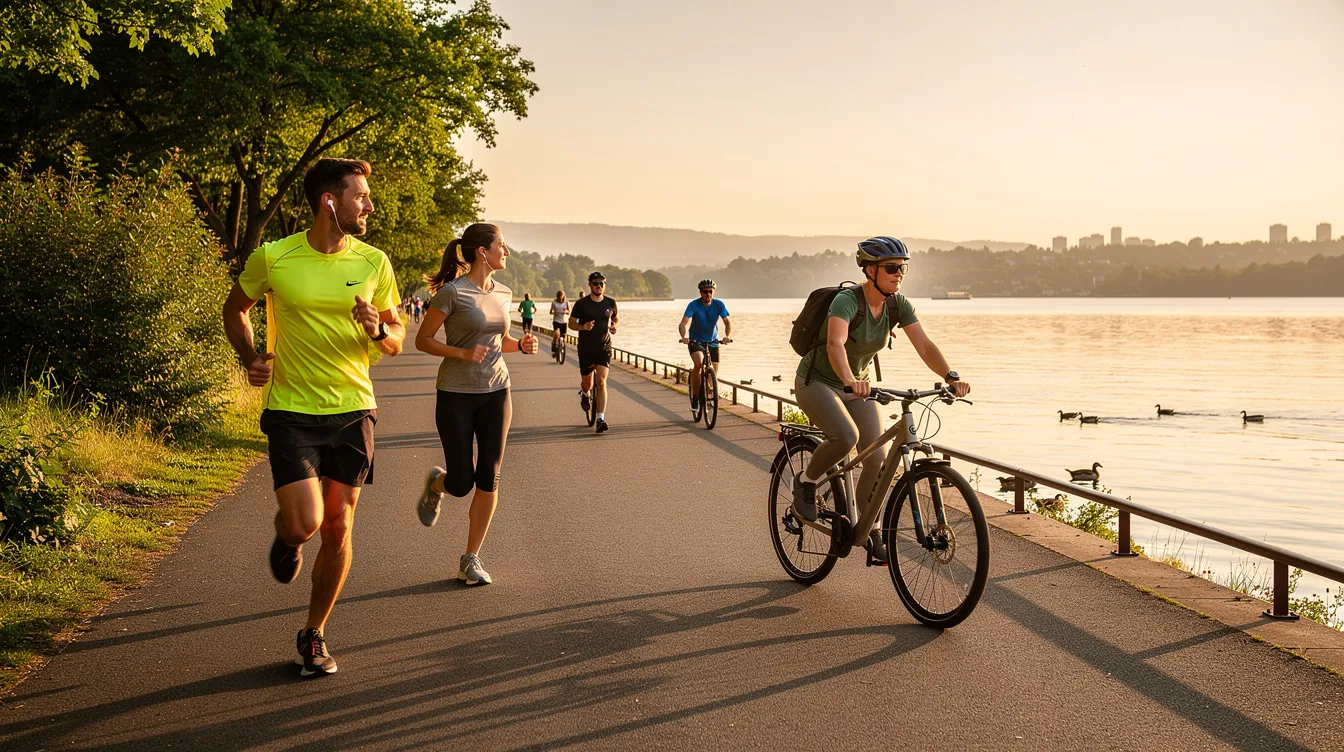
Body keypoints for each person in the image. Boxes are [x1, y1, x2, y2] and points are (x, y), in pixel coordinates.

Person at [222, 157, 402, 677]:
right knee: (306, 521)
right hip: (292, 409)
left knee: (339, 525)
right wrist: (249, 358)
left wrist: (376, 330)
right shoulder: (275, 258)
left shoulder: (373, 262)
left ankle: (314, 633)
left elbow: (395, 341)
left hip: (353, 409)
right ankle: (286, 535)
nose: (368, 205)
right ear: (331, 200)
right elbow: (235, 308)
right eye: (360, 196)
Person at [791, 236, 970, 561]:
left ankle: (864, 525)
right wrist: (847, 379)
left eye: (903, 268)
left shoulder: (897, 304)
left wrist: (950, 376)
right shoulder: (846, 301)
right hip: (816, 381)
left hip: (858, 385)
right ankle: (805, 480)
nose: (899, 274)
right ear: (870, 270)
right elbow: (835, 344)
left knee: (877, 456)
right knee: (846, 437)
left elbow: (925, 346)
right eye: (892, 268)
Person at [413, 223, 538, 587]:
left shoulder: (504, 292)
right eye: (502, 245)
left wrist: (521, 346)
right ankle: (438, 484)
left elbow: (503, 340)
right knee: (462, 482)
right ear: (483, 251)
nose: (507, 252)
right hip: (455, 393)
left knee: (490, 475)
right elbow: (423, 339)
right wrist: (462, 353)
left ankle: (470, 558)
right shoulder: (452, 292)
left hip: (498, 390)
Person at [568, 271, 618, 433]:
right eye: (596, 283)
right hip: (586, 348)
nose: (599, 286)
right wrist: (583, 327)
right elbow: (571, 324)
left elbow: (615, 318)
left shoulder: (610, 303)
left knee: (602, 381)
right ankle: (584, 392)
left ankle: (600, 418)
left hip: (604, 347)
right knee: (588, 383)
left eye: (602, 283)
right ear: (590, 284)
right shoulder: (581, 304)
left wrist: (614, 325)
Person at [678, 279, 732, 410]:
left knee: (713, 374)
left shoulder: (719, 305)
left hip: (713, 341)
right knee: (699, 364)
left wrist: (727, 337)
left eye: (710, 292)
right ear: (700, 293)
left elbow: (727, 323)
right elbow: (683, 323)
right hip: (695, 341)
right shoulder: (693, 305)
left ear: (713, 292)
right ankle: (695, 398)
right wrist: (683, 337)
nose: (708, 294)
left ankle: (709, 390)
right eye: (705, 292)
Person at [549, 290, 569, 358]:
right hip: (556, 321)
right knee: (557, 334)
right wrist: (555, 312)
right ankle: (554, 346)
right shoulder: (554, 302)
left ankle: (562, 348)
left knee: (564, 336)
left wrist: (566, 311)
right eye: (559, 297)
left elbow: (569, 311)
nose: (560, 299)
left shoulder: (566, 302)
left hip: (564, 321)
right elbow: (550, 311)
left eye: (561, 297)